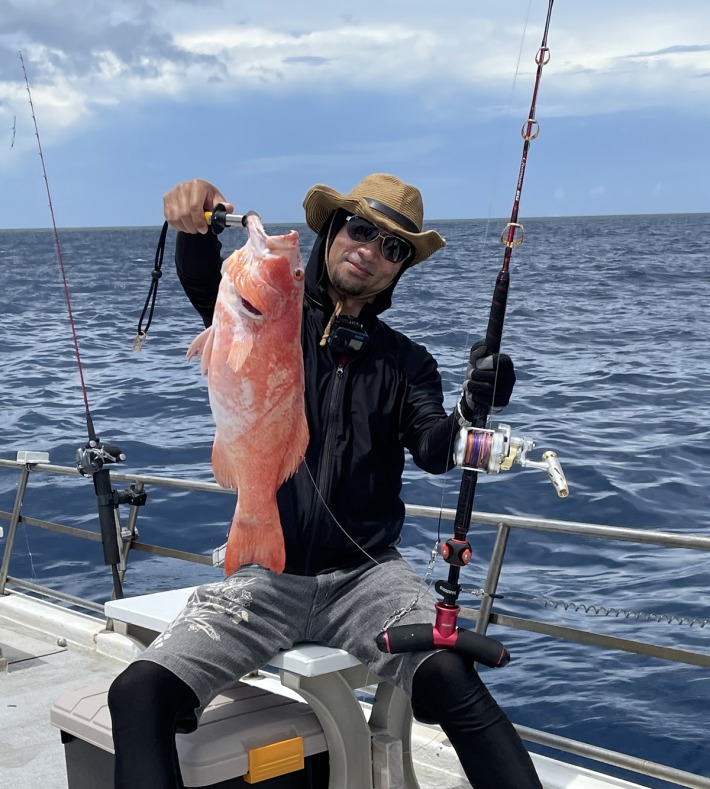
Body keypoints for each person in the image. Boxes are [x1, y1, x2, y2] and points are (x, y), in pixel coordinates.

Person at [108, 173, 542, 789]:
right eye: (360, 229)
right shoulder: (272, 315)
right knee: (138, 692)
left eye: (392, 247)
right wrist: (196, 224)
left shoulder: (407, 363)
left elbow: (435, 449)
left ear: (399, 270)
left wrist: (475, 405)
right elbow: (213, 289)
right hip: (266, 573)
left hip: (369, 575)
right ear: (333, 231)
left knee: (450, 678)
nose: (370, 250)